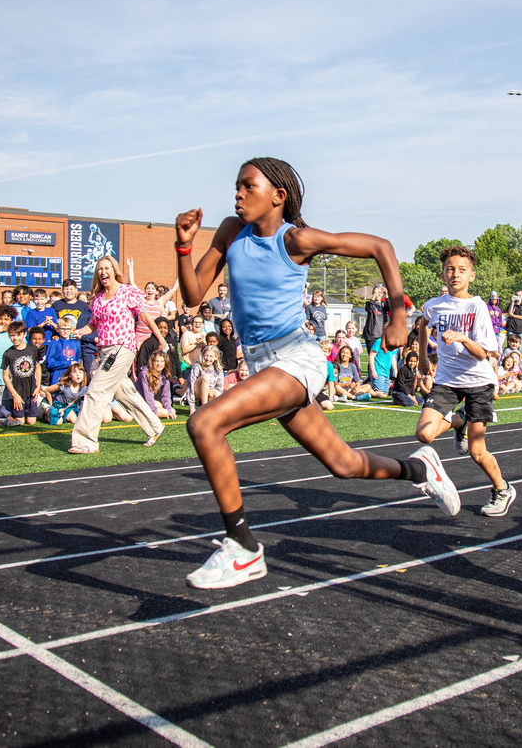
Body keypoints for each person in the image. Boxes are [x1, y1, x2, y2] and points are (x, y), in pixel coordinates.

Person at [172, 156, 459, 589]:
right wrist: (183, 245)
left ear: (278, 196)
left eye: (248, 186)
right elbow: (192, 297)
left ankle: (243, 547)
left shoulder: (297, 240)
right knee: (343, 464)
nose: (237, 194)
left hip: (298, 358)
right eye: (237, 186)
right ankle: (420, 470)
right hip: (264, 365)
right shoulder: (231, 233)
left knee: (205, 423)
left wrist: (399, 317)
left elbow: (381, 246)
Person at [415, 246, 515, 517]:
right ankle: (459, 420)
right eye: (450, 269)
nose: (455, 274)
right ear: (442, 274)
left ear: (472, 275)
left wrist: (462, 337)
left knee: (476, 451)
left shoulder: (478, 306)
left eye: (461, 270)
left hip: (478, 382)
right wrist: (423, 358)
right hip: (447, 380)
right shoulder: (434, 305)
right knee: (424, 434)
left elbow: (484, 352)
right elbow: (423, 324)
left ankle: (502, 489)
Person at [67, 256, 166, 452]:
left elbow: (145, 316)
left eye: (107, 268)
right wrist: (81, 331)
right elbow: (93, 324)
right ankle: (154, 427)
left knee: (96, 391)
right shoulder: (97, 299)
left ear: (114, 271)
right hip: (105, 351)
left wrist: (161, 339)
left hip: (122, 348)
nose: (103, 272)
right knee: (124, 392)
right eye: (100, 269)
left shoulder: (126, 291)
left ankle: (85, 441)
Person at [0, 321, 42, 427]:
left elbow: (37, 367)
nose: (15, 338)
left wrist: (38, 386)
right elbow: (5, 376)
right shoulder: (8, 353)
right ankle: (5, 417)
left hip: (31, 391)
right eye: (12, 335)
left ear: (24, 334)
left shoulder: (33, 349)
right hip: (17, 393)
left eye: (18, 334)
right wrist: (14, 395)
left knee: (31, 422)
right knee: (20, 422)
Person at [52, 278, 96, 373]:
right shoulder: (56, 305)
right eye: (66, 289)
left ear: (76, 290)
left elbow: (89, 324)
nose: (68, 291)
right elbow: (53, 322)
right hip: (61, 341)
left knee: (77, 367)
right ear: (62, 290)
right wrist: (54, 335)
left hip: (77, 341)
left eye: (71, 289)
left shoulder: (83, 306)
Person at [139, 350, 176, 420]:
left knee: (172, 410)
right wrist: (153, 412)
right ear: (152, 362)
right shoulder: (145, 374)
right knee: (164, 412)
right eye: (156, 361)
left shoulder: (164, 375)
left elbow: (166, 394)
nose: (159, 364)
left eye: (162, 361)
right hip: (139, 400)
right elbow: (148, 396)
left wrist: (169, 409)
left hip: (148, 401)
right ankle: (141, 413)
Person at [363, 285, 389, 377]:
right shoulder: (370, 304)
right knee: (372, 357)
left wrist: (386, 295)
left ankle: (380, 376)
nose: (378, 293)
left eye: (380, 292)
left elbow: (389, 307)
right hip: (372, 335)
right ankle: (370, 377)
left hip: (381, 335)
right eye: (376, 291)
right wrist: (373, 297)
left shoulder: (383, 305)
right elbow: (368, 308)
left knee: (380, 357)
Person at [504, 288, 522, 354]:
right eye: (517, 295)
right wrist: (512, 302)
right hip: (511, 328)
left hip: (520, 329)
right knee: (510, 346)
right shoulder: (512, 304)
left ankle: (518, 362)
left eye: (519, 295)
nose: (518, 296)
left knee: (519, 347)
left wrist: (514, 316)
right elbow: (510, 313)